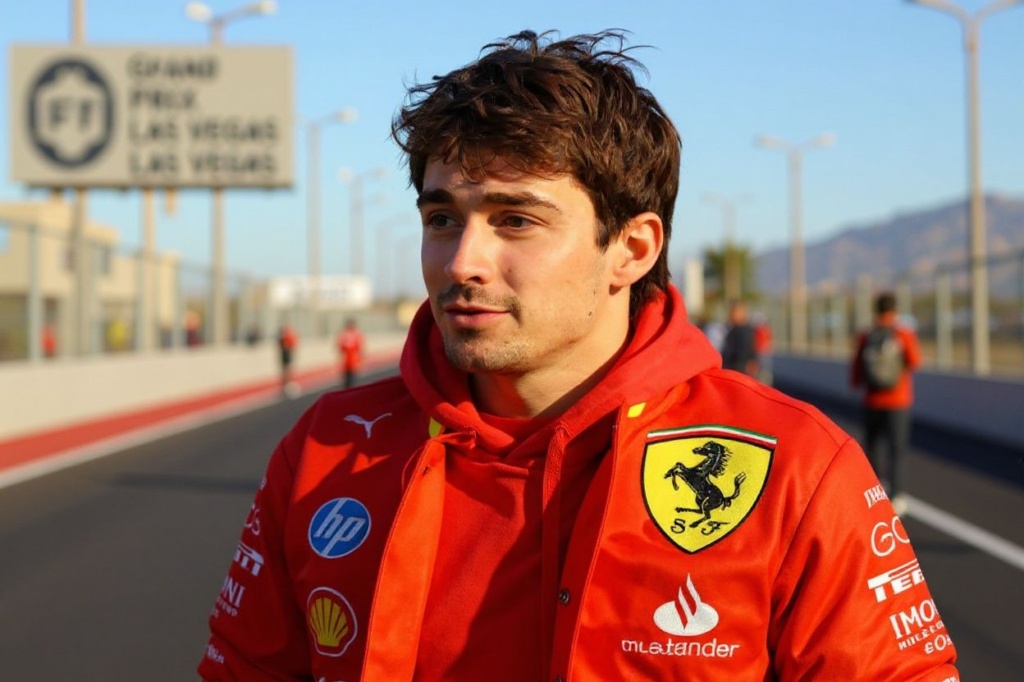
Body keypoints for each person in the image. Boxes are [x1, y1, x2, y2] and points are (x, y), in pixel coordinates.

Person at [199, 31, 958, 681]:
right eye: (442, 217)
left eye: (516, 220)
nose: (463, 260)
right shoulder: (326, 451)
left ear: (631, 248)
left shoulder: (795, 467)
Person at [850, 291, 922, 515]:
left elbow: (856, 373)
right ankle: (897, 497)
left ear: (876, 310)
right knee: (897, 450)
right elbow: (915, 361)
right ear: (894, 310)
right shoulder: (902, 333)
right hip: (898, 401)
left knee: (872, 447)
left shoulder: (866, 335)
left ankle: (872, 492)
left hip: (872, 400)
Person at [720, 299, 759, 378]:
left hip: (738, 374)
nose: (730, 314)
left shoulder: (743, 331)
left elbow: (743, 356)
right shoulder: (734, 330)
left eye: (734, 312)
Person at [336, 318, 365, 388]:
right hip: (349, 361)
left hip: (351, 361)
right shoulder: (354, 334)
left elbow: (340, 347)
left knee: (349, 381)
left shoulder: (345, 335)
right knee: (350, 381)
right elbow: (359, 347)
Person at [276, 323, 298, 396]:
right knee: (287, 370)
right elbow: (293, 345)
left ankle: (285, 386)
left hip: (286, 354)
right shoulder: (286, 336)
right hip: (286, 354)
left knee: (286, 371)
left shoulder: (282, 337)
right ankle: (286, 386)